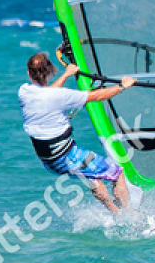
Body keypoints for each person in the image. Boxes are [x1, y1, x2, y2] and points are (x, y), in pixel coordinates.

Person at [18, 52, 135, 214]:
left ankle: (117, 214)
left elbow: (47, 94)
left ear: (29, 73)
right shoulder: (62, 96)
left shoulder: (23, 92)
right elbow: (97, 96)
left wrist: (66, 75)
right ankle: (132, 217)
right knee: (116, 172)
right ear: (50, 72)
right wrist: (122, 86)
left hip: (48, 161)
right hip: (68, 158)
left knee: (93, 178)